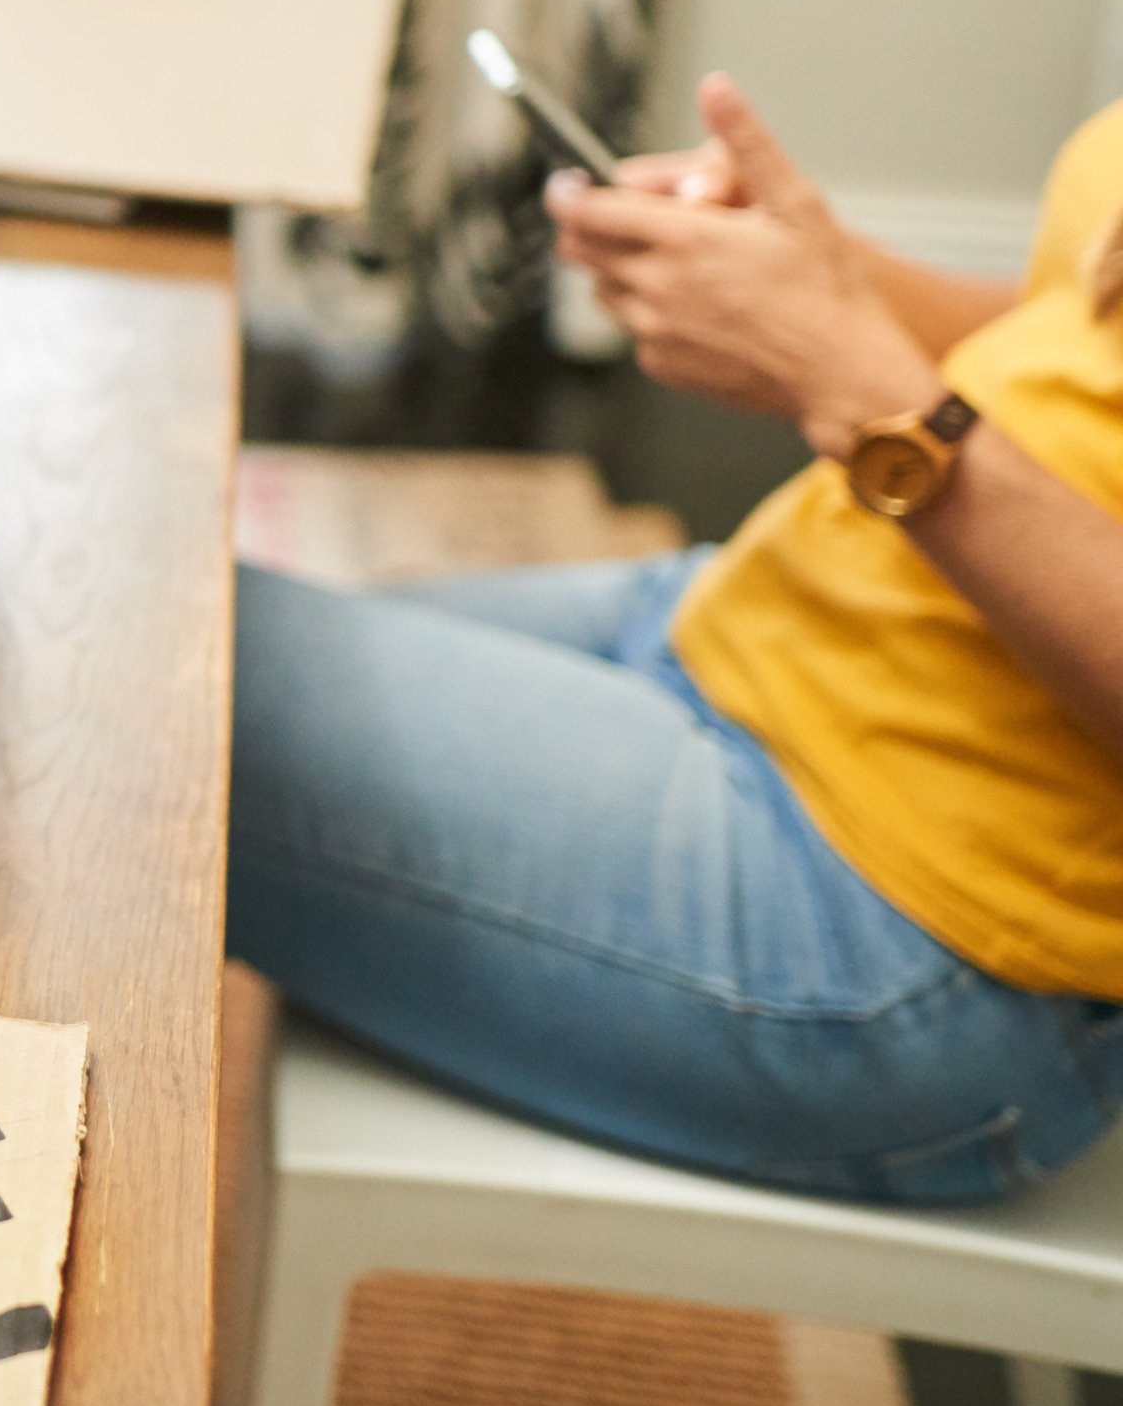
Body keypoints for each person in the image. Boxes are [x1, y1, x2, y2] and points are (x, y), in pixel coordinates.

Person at [232, 74, 1123, 1204]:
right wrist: (811, 278)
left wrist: (863, 385)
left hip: (897, 917)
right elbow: (1078, 322)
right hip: (758, 624)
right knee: (158, 649)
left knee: (119, 696)